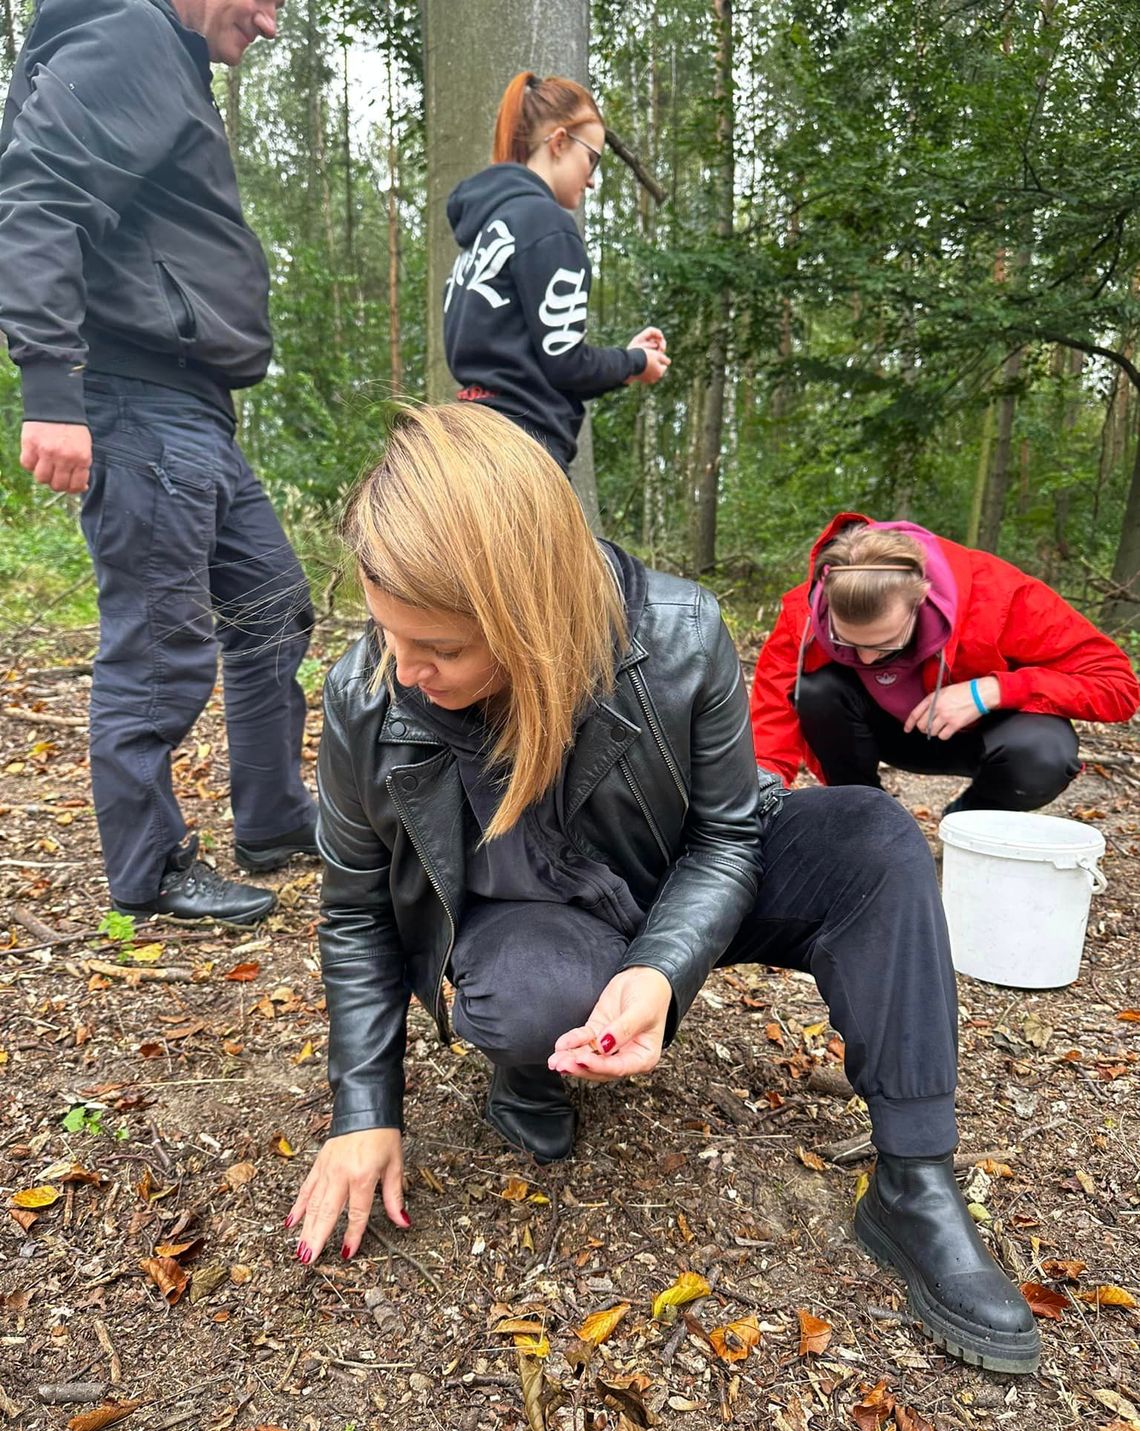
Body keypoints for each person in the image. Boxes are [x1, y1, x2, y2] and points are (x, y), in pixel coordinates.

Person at [286, 404, 1040, 1377]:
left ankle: (915, 1183)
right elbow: (354, 907)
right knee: (526, 1003)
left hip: (678, 874)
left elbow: (731, 832)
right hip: (535, 911)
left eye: (439, 649)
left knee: (874, 838)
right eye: (391, 637)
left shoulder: (679, 633)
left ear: (529, 618)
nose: (407, 671)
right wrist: (363, 1111)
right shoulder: (369, 694)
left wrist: (661, 966)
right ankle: (531, 1068)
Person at [0, 0, 318, 924]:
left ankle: (271, 817)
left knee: (273, 605)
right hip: (136, 400)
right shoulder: (129, 37)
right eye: (262, 1)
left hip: (196, 410)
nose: (268, 26)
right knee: (157, 639)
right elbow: (37, 192)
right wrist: (51, 389)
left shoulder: (171, 63)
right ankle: (148, 871)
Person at [751, 513, 1140, 811]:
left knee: (1043, 754)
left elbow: (1119, 687)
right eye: (847, 643)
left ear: (923, 600)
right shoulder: (804, 615)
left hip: (981, 736)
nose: (866, 658)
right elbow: (770, 717)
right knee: (816, 691)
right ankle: (864, 817)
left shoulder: (999, 595)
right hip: (882, 730)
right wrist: (758, 801)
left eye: (886, 643)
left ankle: (967, 827)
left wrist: (992, 689)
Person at [442, 71, 670, 472]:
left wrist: (626, 363)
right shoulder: (548, 225)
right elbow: (566, 364)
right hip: (523, 454)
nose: (593, 179)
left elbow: (523, 355)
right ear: (560, 141)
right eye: (592, 158)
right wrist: (635, 361)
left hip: (468, 438)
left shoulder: (482, 232)